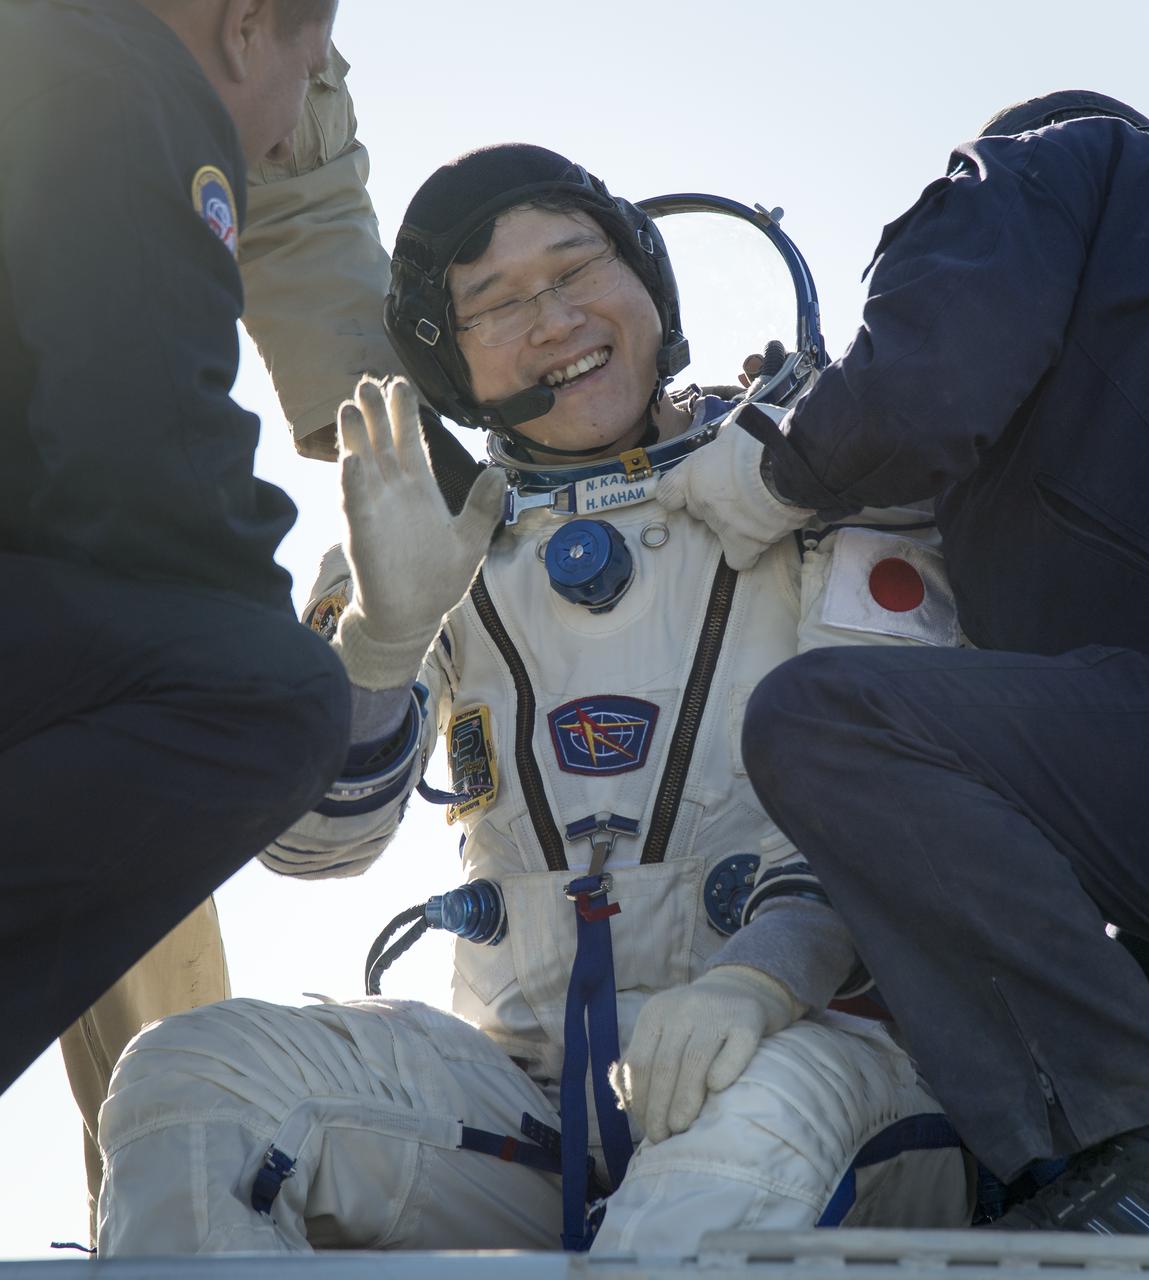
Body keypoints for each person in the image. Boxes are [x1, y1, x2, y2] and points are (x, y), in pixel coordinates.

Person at [96, 144, 974, 1258]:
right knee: (191, 1076)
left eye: (574, 269)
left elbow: (915, 809)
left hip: (823, 1050)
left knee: (723, 1159)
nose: (553, 318)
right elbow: (311, 850)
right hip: (527, 1089)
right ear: (448, 364)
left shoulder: (820, 486)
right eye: (496, 302)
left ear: (649, 280)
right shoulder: (411, 536)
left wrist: (762, 979)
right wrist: (382, 640)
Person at [658, 91, 1149, 1233]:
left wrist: (776, 467)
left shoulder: (1048, 165)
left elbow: (926, 386)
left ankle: (1119, 1153)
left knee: (831, 722)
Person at [55, 36, 407, 1241]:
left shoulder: (276, 68)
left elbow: (303, 194)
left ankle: (149, 1222)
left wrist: (397, 438)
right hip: (72, 541)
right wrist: (296, 655)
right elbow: (126, 410)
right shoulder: (100, 77)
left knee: (176, 1058)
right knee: (226, 698)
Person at [0, 0, 354, 1096]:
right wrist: (278, 605)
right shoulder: (130, 85)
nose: (293, 139)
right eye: (311, 74)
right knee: (263, 692)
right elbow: (138, 439)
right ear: (246, 27)